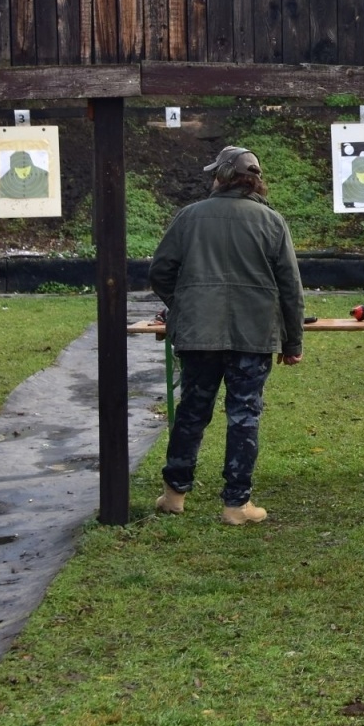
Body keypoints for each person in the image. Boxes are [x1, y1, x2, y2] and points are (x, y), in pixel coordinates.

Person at [149, 145, 304, 526]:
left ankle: (174, 495)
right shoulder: (271, 221)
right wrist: (293, 342)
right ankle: (236, 505)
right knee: (244, 415)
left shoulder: (190, 217)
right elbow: (291, 287)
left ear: (221, 176)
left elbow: (160, 271)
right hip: (253, 336)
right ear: (255, 180)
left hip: (198, 334)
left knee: (191, 412)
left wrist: (183, 303)